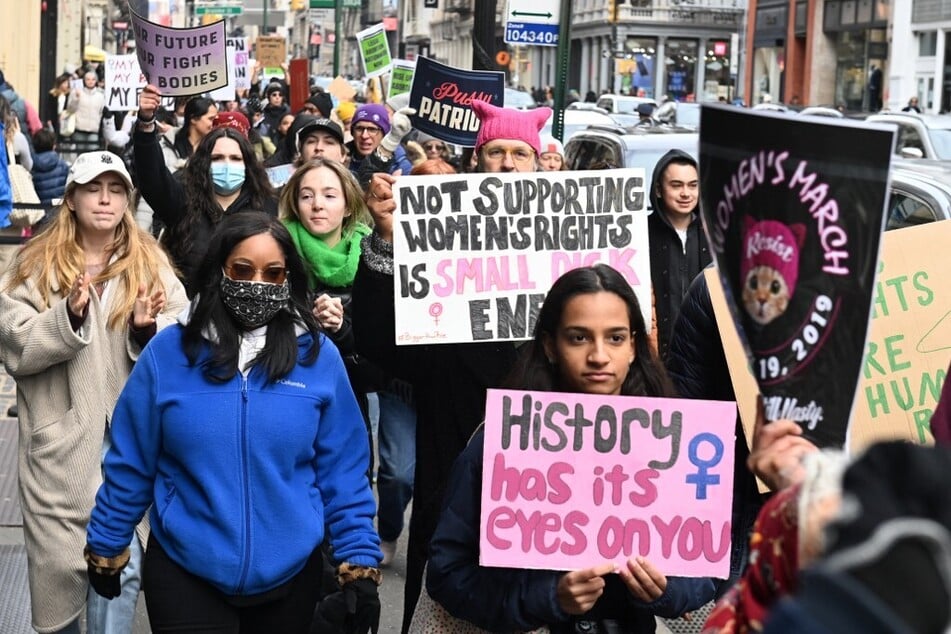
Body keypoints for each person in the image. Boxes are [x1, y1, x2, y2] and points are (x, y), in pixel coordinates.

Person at [84, 211, 382, 633]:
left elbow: (343, 469)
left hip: (291, 576)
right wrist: (107, 541)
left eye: (272, 273)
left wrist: (359, 559)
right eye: (243, 269)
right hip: (186, 571)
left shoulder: (317, 357)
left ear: (287, 279)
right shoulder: (168, 353)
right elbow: (131, 460)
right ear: (219, 270)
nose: (257, 283)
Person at [352, 98, 552, 632]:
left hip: (552, 501)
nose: (508, 164)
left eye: (520, 154)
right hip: (457, 500)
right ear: (476, 163)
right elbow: (381, 343)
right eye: (496, 152)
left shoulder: (570, 257)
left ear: (538, 164)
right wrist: (386, 242)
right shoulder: (439, 248)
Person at [425, 265, 717, 632]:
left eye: (615, 338)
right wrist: (548, 597)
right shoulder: (502, 441)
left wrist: (668, 590)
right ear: (550, 346)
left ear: (633, 347)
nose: (599, 355)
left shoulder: (674, 446)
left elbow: (705, 567)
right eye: (579, 338)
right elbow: (447, 572)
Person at [0, 150, 188, 634]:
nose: (105, 199)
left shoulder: (150, 262)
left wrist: (147, 330)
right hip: (60, 449)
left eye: (116, 189)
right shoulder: (33, 264)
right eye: (92, 189)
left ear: (128, 198)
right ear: (71, 198)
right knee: (60, 575)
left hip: (130, 442)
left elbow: (181, 331)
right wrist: (70, 317)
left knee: (121, 571)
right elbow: (13, 341)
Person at [133, 84, 277, 295]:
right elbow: (152, 178)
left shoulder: (267, 206)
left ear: (247, 163)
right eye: (217, 158)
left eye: (235, 158)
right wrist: (146, 124)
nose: (227, 164)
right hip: (189, 315)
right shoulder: (184, 198)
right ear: (204, 162)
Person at [648, 149, 711, 361]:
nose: (686, 193)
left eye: (693, 185)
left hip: (706, 360)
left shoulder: (717, 235)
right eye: (676, 185)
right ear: (658, 189)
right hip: (657, 360)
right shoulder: (640, 232)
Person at [347, 103, 414, 183]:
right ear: (352, 132)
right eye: (359, 128)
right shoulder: (339, 158)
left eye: (372, 129)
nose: (364, 136)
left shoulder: (401, 167)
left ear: (384, 134)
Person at [162, 96, 218, 172]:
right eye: (211, 119)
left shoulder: (216, 145)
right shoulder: (168, 144)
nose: (215, 124)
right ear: (194, 119)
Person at [30, 128, 69, 206]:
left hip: (39, 207)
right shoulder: (62, 165)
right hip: (59, 206)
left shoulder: (31, 167)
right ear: (53, 146)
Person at [67, 71, 105, 148]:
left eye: (93, 79)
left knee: (92, 154)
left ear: (96, 81)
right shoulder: (76, 92)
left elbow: (101, 112)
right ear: (84, 80)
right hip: (79, 129)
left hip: (94, 130)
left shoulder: (100, 96)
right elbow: (70, 110)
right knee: (80, 155)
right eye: (88, 79)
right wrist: (76, 98)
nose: (90, 81)